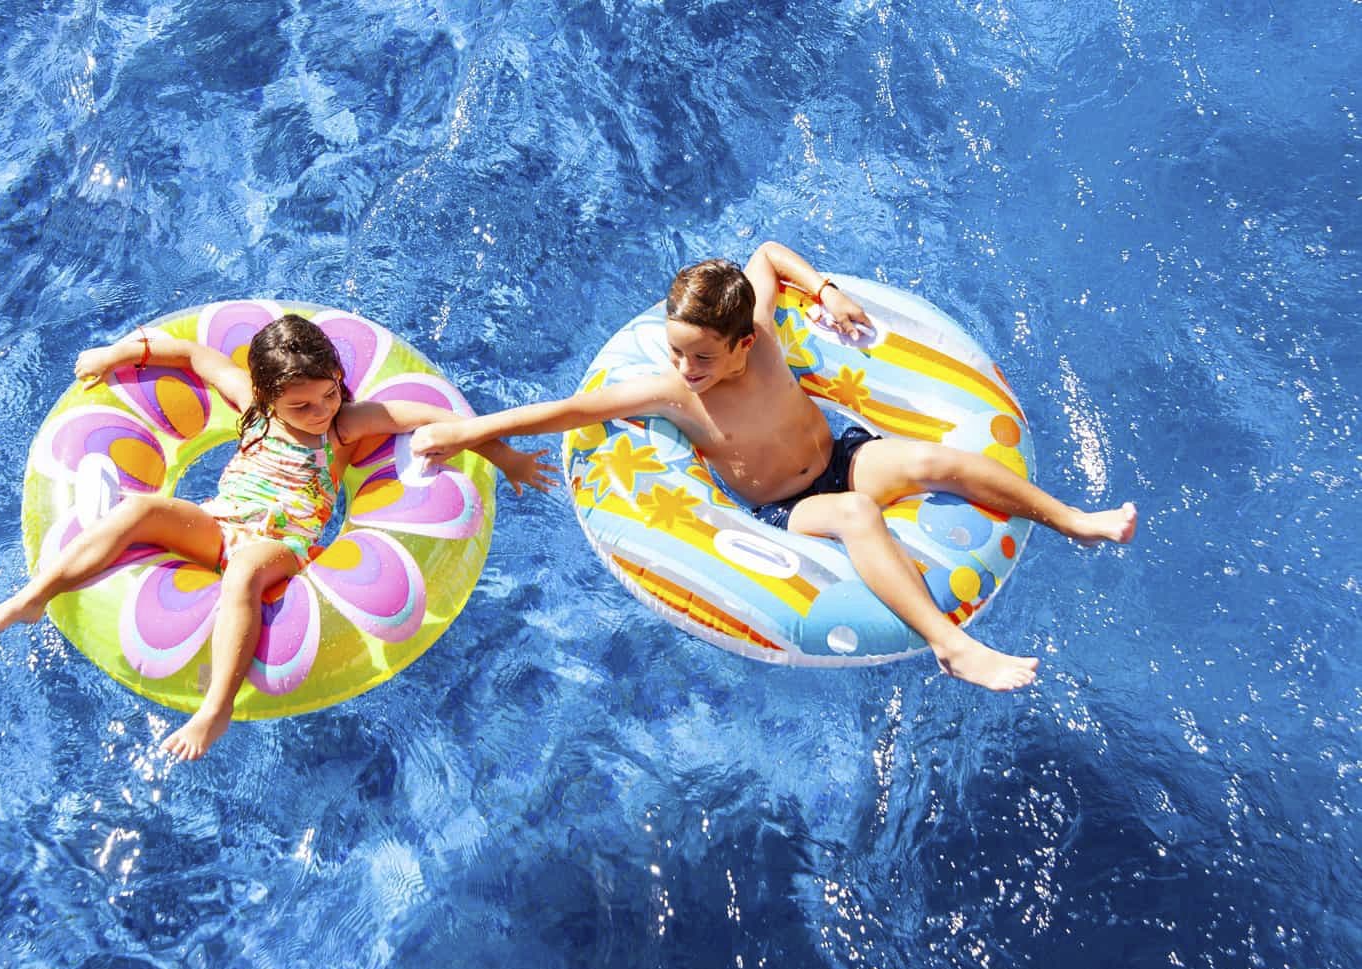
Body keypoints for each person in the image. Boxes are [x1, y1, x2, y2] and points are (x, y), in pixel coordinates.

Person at [412, 242, 1137, 691]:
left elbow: (765, 253)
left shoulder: (761, 333)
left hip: (844, 453)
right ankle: (953, 648)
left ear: (742, 342)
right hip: (788, 508)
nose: (685, 367)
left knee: (934, 458)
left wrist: (823, 289)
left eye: (702, 355)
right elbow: (569, 411)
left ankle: (1072, 519)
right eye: (676, 350)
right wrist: (470, 432)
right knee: (854, 514)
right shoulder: (674, 393)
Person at [0, 314, 557, 759]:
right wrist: (115, 353)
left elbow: (441, 421)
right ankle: (34, 597)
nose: (320, 410)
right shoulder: (252, 406)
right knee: (138, 509)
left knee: (247, 570)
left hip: (285, 542)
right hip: (219, 522)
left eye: (329, 393)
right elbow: (194, 355)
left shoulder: (346, 426)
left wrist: (506, 459)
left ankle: (216, 708)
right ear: (269, 395)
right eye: (301, 405)